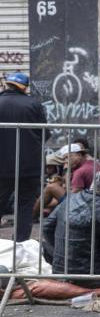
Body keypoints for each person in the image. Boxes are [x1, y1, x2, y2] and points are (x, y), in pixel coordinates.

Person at [0, 72, 47, 243]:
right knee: (25, 206)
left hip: (2, 167)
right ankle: (20, 244)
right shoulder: (34, 104)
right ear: (24, 88)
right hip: (29, 168)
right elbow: (45, 133)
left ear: (7, 84)